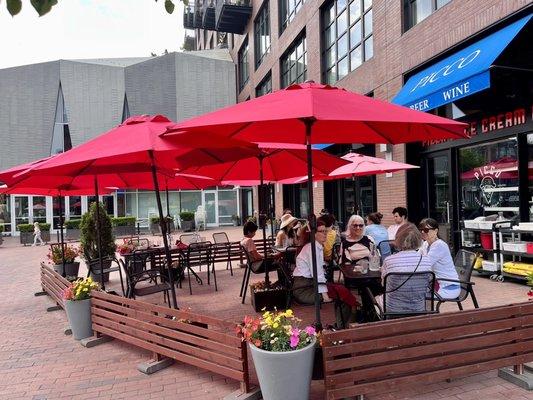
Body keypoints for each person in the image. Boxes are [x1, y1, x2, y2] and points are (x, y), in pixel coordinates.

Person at [293, 220, 359, 328]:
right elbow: (317, 273)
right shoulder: (312, 248)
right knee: (342, 293)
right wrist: (324, 293)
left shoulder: (316, 246)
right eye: (321, 231)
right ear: (313, 233)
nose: (325, 233)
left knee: (342, 290)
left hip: (310, 285)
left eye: (325, 231)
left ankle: (343, 324)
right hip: (304, 289)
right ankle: (346, 325)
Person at [379, 223, 433, 313]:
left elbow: (384, 284)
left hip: (393, 310)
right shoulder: (427, 260)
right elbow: (427, 284)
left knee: (374, 299)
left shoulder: (389, 260)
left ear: (398, 239)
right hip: (418, 309)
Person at [418, 218, 460, 300]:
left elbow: (425, 264)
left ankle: (428, 313)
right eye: (421, 229)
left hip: (449, 287)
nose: (422, 232)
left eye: (426, 230)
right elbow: (416, 258)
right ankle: (427, 312)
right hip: (437, 284)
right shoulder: (426, 244)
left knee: (418, 296)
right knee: (416, 292)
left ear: (435, 231)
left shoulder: (439, 245)